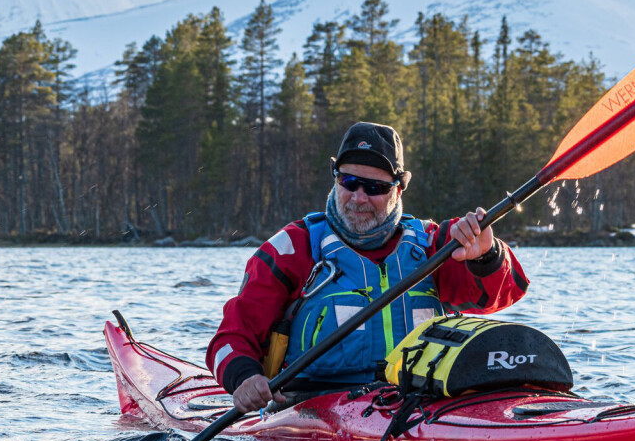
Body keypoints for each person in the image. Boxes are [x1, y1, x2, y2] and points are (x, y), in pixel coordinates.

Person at [206, 122, 529, 413]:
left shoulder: (436, 244)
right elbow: (230, 338)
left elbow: (504, 292)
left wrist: (485, 253)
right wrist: (244, 378)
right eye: (349, 182)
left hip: (417, 404)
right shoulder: (292, 249)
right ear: (336, 181)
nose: (359, 197)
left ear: (398, 190)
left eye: (375, 188)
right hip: (311, 409)